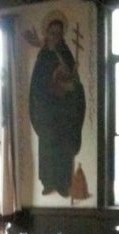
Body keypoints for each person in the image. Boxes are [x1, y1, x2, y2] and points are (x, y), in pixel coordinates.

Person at [26, 11, 86, 198]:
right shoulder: (43, 56)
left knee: (63, 149)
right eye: (51, 32)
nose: (54, 36)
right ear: (47, 33)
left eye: (58, 33)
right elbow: (37, 85)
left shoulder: (66, 54)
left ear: (61, 35)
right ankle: (48, 182)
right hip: (47, 112)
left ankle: (63, 183)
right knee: (47, 148)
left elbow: (74, 84)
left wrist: (70, 87)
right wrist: (48, 90)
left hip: (63, 113)